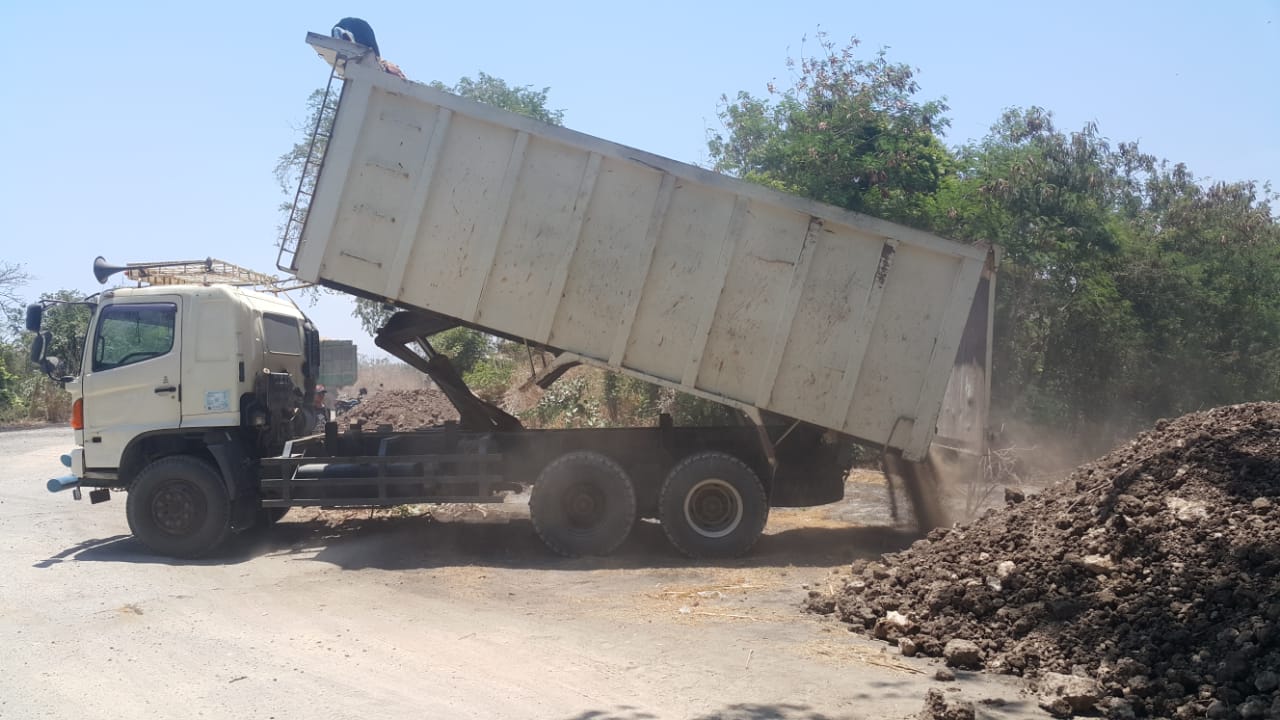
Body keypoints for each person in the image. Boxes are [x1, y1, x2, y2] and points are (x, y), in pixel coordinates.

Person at [331, 17, 406, 80]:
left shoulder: (340, 27)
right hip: (359, 33)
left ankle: (346, 39)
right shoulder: (383, 63)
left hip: (355, 32)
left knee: (339, 36)